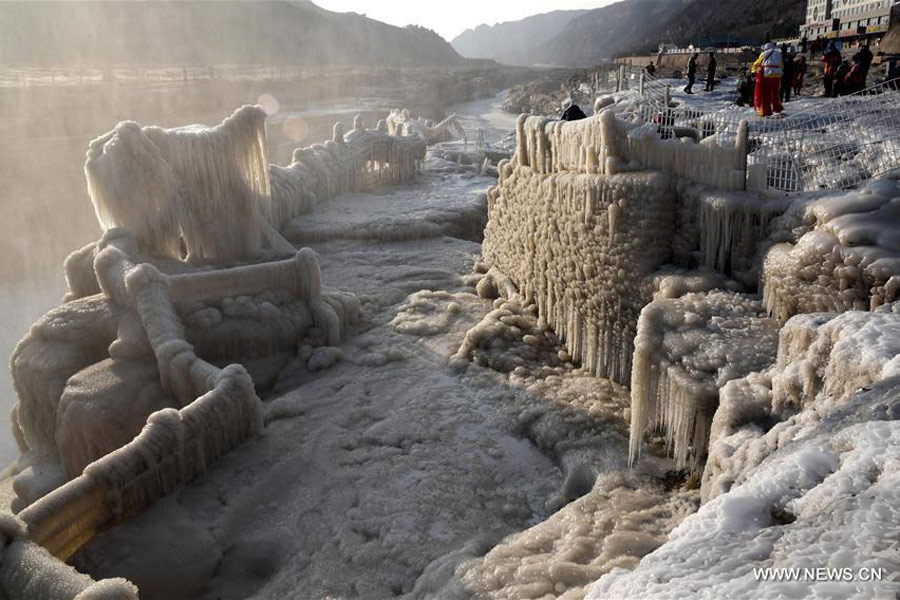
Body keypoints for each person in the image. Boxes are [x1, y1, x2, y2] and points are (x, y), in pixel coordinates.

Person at [752, 42, 784, 116]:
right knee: (775, 93)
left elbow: (756, 64)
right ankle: (777, 108)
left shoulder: (764, 54)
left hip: (767, 75)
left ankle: (766, 111)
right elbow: (782, 65)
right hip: (778, 75)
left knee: (766, 94)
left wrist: (753, 71)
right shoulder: (779, 54)